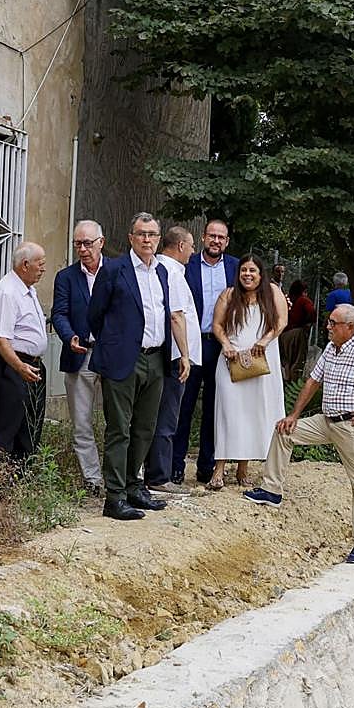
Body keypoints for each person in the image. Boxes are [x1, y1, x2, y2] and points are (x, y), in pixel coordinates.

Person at [243, 304, 354, 564]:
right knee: (284, 432)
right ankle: (272, 490)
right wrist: (293, 416)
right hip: (326, 421)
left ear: (350, 328)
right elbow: (313, 381)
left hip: (353, 427)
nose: (327, 327)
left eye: (333, 323)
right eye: (329, 322)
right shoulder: (331, 348)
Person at [88, 214, 191, 521]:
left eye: (152, 235)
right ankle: (115, 496)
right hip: (124, 360)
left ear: (159, 240)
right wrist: (114, 345)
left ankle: (135, 486)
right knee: (119, 429)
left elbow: (171, 315)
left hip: (156, 358)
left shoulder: (161, 272)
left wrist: (182, 354)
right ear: (131, 237)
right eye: (141, 234)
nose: (147, 239)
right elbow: (96, 314)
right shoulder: (114, 269)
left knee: (145, 428)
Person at [209, 255, 289, 489]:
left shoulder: (272, 292)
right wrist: (226, 344)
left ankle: (243, 468)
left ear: (261, 273)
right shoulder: (229, 295)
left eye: (252, 270)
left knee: (252, 413)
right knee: (228, 412)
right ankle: (219, 468)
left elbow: (281, 321)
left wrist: (264, 340)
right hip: (231, 361)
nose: (247, 274)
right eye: (244, 270)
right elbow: (217, 324)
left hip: (262, 360)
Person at [174, 218, 240, 484]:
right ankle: (175, 466)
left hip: (222, 345)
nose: (216, 241)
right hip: (191, 342)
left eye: (221, 237)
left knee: (216, 407)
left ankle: (207, 466)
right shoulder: (186, 264)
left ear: (227, 241)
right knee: (184, 405)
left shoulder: (236, 267)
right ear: (203, 238)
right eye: (212, 236)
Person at [145, 226, 203, 495]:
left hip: (167, 355)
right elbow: (176, 316)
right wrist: (185, 355)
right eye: (191, 246)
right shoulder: (172, 273)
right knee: (167, 418)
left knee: (160, 416)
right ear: (180, 246)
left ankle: (155, 472)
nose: (193, 251)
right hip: (174, 358)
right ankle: (159, 475)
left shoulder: (163, 269)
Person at [51, 220, 106, 495]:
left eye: (87, 243)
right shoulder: (66, 277)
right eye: (78, 244)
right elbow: (59, 313)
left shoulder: (118, 272)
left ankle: (126, 476)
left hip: (111, 355)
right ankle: (92, 480)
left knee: (120, 420)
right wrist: (68, 336)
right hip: (80, 353)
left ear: (101, 242)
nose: (83, 249)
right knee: (82, 421)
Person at [0, 242, 48, 464]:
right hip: (12, 364)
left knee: (30, 424)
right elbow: (1, 340)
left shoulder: (28, 290)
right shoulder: (6, 292)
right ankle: (2, 479)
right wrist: (19, 367)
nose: (43, 269)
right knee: (8, 423)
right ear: (25, 265)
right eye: (40, 264)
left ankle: (23, 475)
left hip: (31, 364)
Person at [279, 279, 316, 381]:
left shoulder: (286, 300)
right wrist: (307, 324)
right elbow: (311, 311)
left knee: (287, 361)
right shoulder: (303, 300)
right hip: (297, 333)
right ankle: (294, 385)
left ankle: (286, 383)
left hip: (283, 334)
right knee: (297, 361)